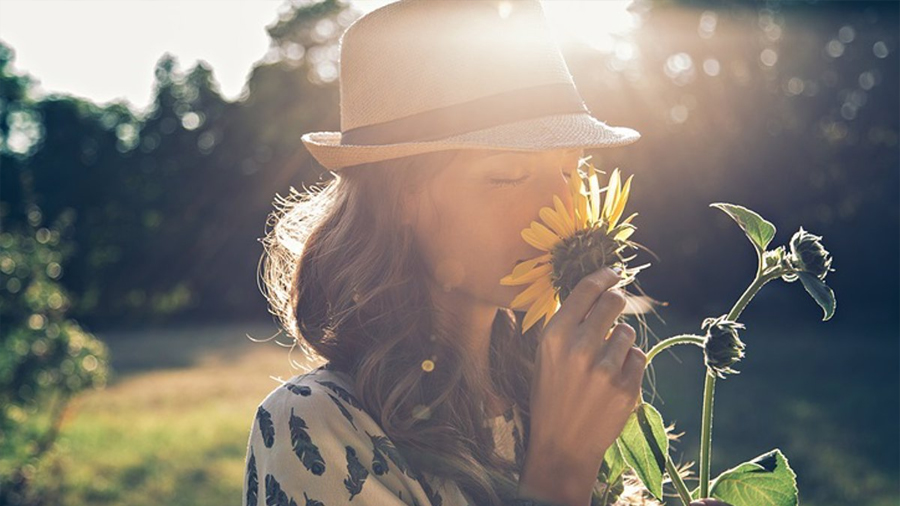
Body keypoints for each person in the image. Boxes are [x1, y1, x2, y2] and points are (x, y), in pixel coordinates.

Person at [243, 1, 732, 506]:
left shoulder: (544, 389)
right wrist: (560, 466)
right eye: (508, 176)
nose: (564, 207)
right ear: (399, 200)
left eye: (572, 171)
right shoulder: (315, 428)